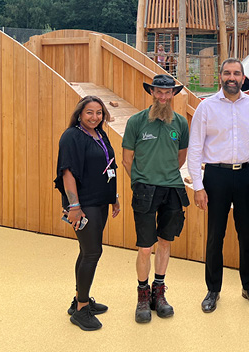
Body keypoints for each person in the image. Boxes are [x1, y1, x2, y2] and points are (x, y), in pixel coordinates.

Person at [188, 58, 249, 313]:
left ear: (243, 78)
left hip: (246, 174)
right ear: (220, 77)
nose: (231, 77)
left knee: (246, 235)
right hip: (216, 176)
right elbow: (195, 148)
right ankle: (213, 289)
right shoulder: (206, 107)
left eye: (236, 73)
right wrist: (198, 187)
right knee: (215, 236)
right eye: (227, 73)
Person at [122, 74, 190, 324]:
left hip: (172, 188)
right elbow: (127, 160)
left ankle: (158, 293)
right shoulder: (136, 122)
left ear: (173, 94)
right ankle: (142, 296)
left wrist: (166, 175)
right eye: (158, 92)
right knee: (145, 245)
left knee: (164, 242)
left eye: (167, 92)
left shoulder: (181, 123)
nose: (163, 97)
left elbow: (181, 158)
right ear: (151, 92)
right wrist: (141, 180)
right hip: (144, 190)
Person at [55, 95, 120, 331]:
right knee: (93, 252)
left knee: (86, 252)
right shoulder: (72, 136)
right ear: (80, 114)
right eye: (89, 112)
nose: (95, 117)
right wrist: (74, 206)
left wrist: (114, 197)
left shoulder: (100, 135)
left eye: (99, 113)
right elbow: (67, 172)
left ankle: (78, 300)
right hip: (83, 204)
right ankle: (82, 309)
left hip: (100, 201)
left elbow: (108, 166)